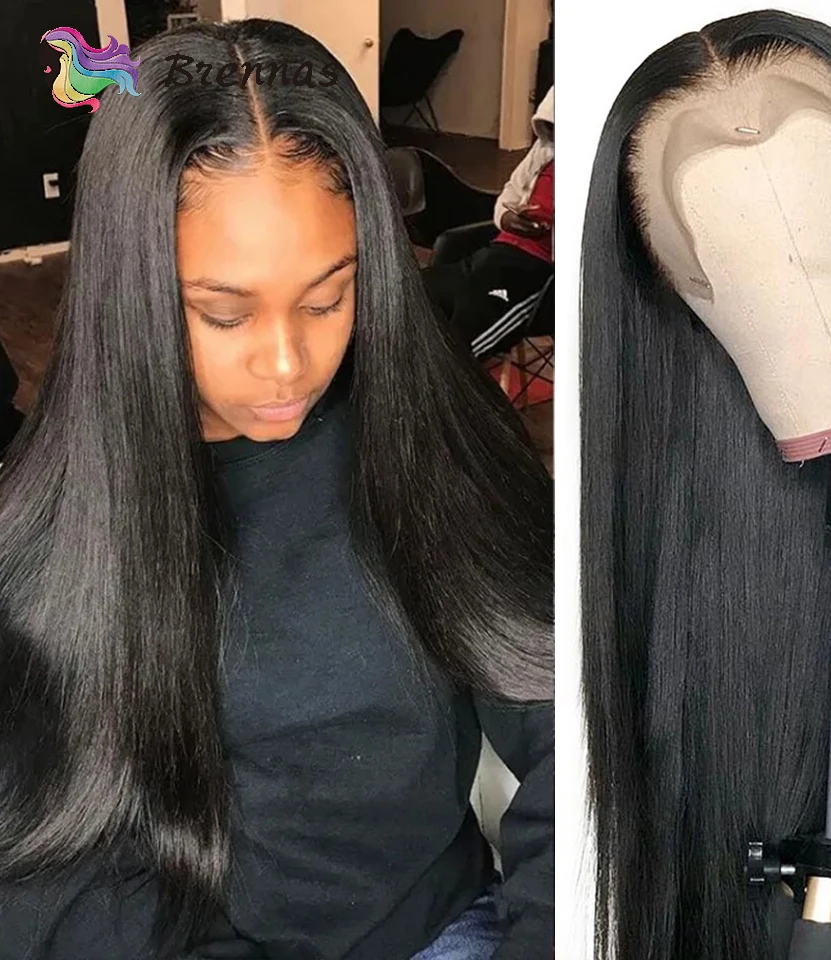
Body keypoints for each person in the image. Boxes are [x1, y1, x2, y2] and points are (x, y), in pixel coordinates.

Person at [0, 18, 553, 960]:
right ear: (130, 290)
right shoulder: (45, 533)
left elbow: (569, 727)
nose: (290, 363)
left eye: (329, 296)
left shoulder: (430, 439)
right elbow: (44, 879)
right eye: (225, 314)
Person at [422, 87, 554, 361]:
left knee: (457, 354)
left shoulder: (603, 170)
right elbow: (509, 195)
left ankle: (439, 384)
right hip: (492, 255)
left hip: (535, 276)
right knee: (407, 295)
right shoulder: (545, 150)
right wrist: (509, 219)